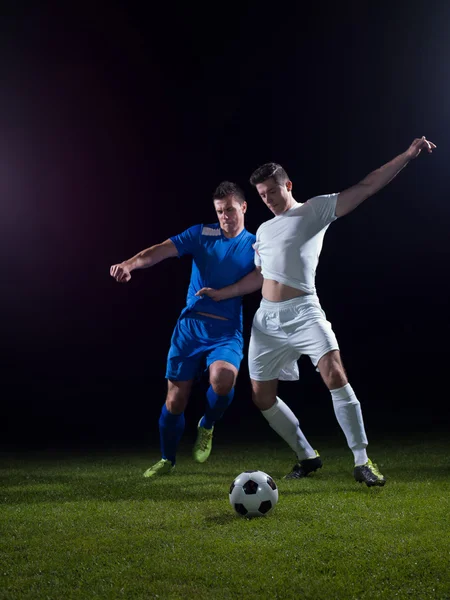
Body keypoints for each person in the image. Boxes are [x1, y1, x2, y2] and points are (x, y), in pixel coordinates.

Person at [197, 136, 436, 487]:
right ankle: (307, 456)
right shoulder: (262, 231)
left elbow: (367, 186)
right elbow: (260, 277)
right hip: (267, 320)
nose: (268, 199)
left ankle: (361, 459)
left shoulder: (314, 210)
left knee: (334, 373)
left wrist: (409, 154)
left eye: (272, 192)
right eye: (262, 195)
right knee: (262, 397)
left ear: (287, 185)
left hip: (304, 311)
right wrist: (223, 293)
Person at [110, 181, 262, 478]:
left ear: (243, 207)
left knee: (223, 379)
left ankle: (207, 423)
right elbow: (160, 251)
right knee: (175, 400)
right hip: (190, 329)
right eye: (219, 211)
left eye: (229, 209)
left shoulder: (257, 244)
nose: (224, 216)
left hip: (225, 331)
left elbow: (263, 276)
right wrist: (130, 264)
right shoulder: (201, 233)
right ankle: (167, 459)